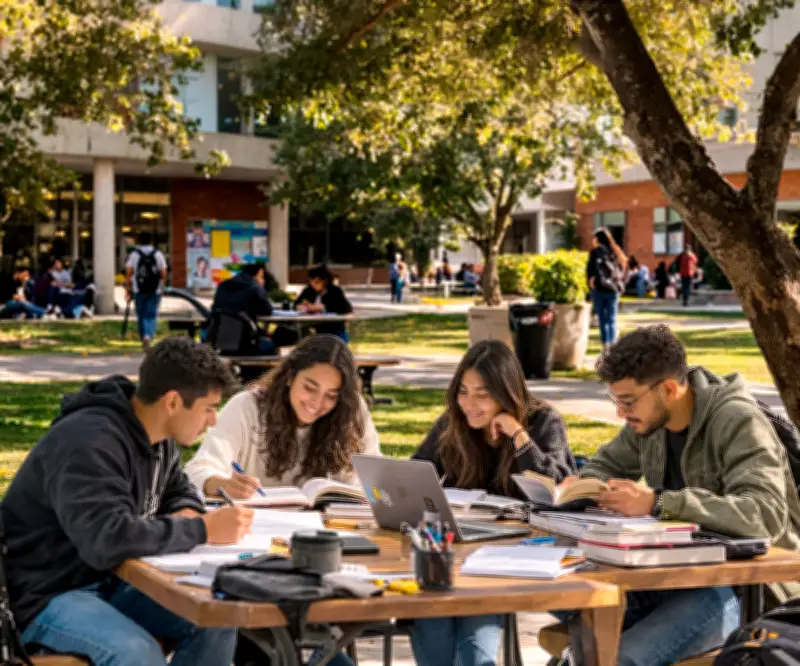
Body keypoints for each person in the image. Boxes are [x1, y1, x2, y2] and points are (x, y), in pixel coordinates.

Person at [553, 325, 800, 666]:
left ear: (668, 389)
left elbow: (765, 515)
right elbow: (605, 465)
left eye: (627, 402)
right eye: (616, 401)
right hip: (668, 577)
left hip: (741, 591)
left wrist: (658, 502)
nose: (620, 414)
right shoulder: (649, 423)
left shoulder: (738, 421)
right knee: (549, 593)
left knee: (620, 658)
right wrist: (585, 490)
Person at [3, 337, 250, 666]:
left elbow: (178, 488)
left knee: (215, 620)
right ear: (173, 402)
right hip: (47, 593)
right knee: (136, 653)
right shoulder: (90, 441)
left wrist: (185, 511)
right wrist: (201, 529)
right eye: (208, 408)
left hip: (113, 580)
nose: (213, 420)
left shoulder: (157, 437)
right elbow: (106, 539)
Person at [185, 335, 380, 666]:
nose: (317, 403)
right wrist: (221, 483)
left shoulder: (351, 414)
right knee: (265, 642)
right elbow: (197, 469)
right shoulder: (248, 407)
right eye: (310, 387)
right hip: (254, 558)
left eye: (332, 396)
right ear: (290, 375)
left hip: (323, 556)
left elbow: (371, 478)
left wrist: (352, 494)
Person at [410, 340, 576, 666]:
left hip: (510, 558)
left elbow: (558, 488)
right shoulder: (454, 424)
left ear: (505, 392)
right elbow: (416, 472)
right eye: (463, 391)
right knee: (432, 617)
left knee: (473, 639)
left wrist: (519, 436)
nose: (469, 403)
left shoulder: (543, 422)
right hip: (456, 551)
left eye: (482, 394)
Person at [211, 263, 276, 354]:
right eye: (262, 277)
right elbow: (267, 310)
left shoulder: (223, 286)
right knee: (270, 344)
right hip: (246, 342)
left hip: (220, 342)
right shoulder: (255, 288)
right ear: (258, 275)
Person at [125, 231, 167, 349]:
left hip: (138, 289)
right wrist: (161, 285)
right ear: (151, 241)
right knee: (151, 314)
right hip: (155, 290)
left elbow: (128, 273)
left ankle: (144, 336)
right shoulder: (158, 254)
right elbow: (163, 272)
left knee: (141, 314)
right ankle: (148, 336)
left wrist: (128, 289)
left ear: (139, 241)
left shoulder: (134, 255)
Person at [586, 228, 627, 347]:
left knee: (602, 319)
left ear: (597, 239)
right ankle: (613, 344)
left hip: (599, 288)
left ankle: (606, 344)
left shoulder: (595, 252)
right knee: (611, 318)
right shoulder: (615, 251)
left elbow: (590, 270)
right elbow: (622, 269)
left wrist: (590, 285)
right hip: (613, 289)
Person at [295, 264, 353, 341]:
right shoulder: (308, 290)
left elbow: (344, 308)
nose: (313, 284)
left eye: (317, 282)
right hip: (312, 327)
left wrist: (322, 307)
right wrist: (300, 306)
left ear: (325, 281)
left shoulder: (335, 291)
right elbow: (297, 303)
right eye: (311, 281)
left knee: (337, 337)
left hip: (333, 328)